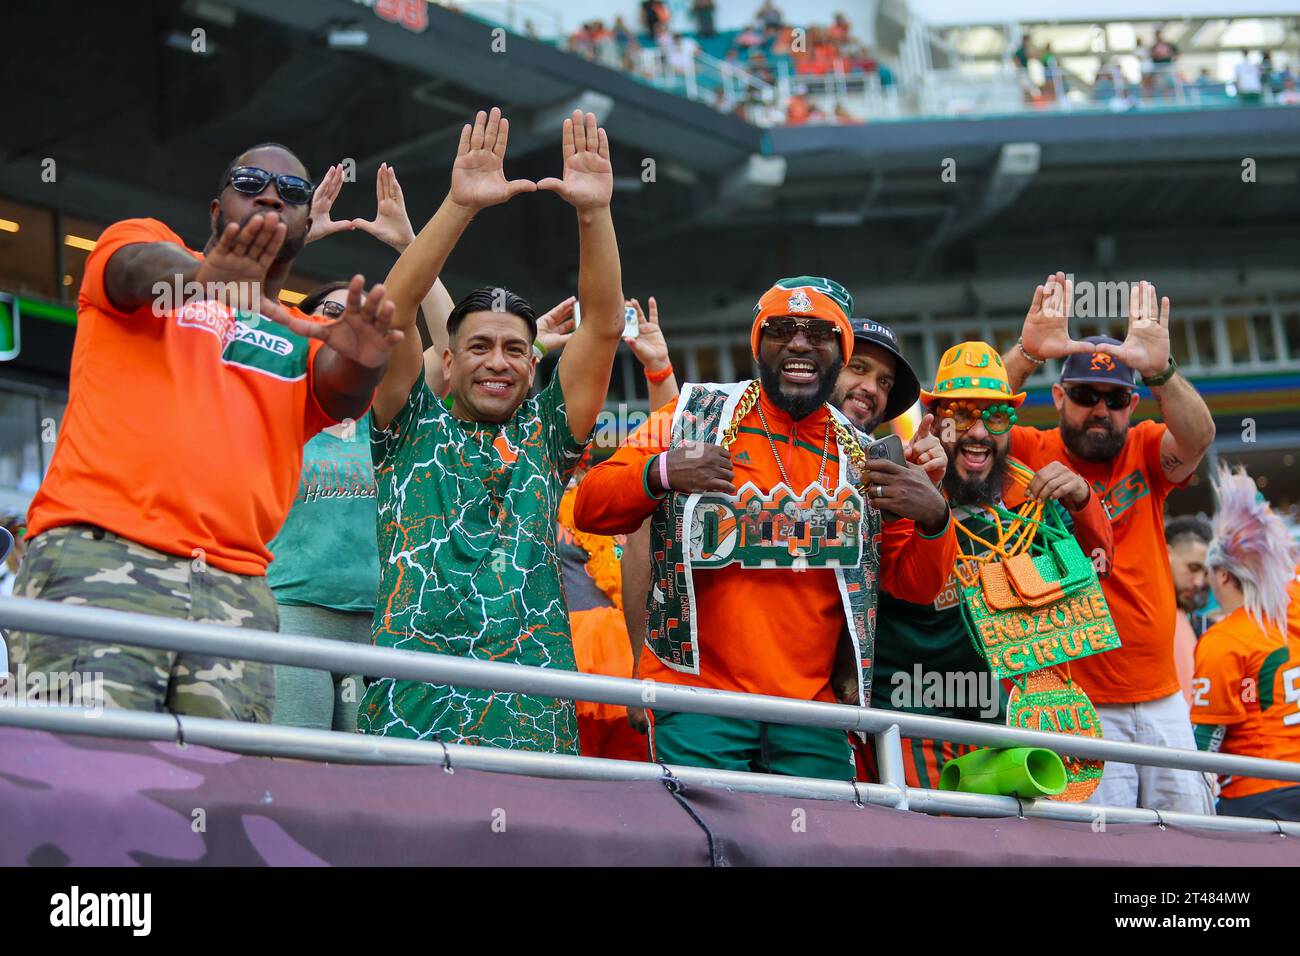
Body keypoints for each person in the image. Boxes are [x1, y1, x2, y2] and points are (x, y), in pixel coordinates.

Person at [8, 143, 399, 721]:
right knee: (88, 783)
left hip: (236, 591)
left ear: (305, 222)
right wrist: (201, 276)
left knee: (218, 799)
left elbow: (342, 393)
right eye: (251, 182)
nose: (271, 194)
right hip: (102, 559)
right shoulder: (142, 247)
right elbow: (131, 269)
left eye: (292, 192)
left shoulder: (305, 334)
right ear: (217, 211)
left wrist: (368, 362)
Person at [575, 276, 957, 780]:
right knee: (709, 849)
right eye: (781, 329)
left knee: (818, 849)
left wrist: (935, 518)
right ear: (759, 343)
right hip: (697, 700)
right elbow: (591, 506)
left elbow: (916, 583)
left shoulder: (865, 457)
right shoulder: (693, 414)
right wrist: (662, 471)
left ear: (839, 352)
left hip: (813, 713)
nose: (799, 342)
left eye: (818, 332)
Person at [356, 107, 626, 755]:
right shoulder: (407, 427)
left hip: (530, 715)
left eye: (514, 348)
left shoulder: (548, 436)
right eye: (479, 346)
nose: (498, 360)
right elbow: (391, 313)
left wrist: (593, 213)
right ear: (447, 361)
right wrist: (458, 205)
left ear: (535, 365)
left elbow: (603, 328)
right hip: (409, 706)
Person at [1002, 273, 1218, 813]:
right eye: (1084, 395)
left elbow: (1198, 437)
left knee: (1191, 844)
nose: (1100, 410)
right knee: (1103, 848)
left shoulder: (1146, 447)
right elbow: (956, 423)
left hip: (1164, 698)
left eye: (1116, 398)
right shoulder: (1029, 449)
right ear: (1058, 395)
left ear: (1132, 403)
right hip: (1076, 700)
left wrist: (1161, 373)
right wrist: (1027, 353)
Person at [865, 342, 1113, 788]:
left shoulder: (1026, 507)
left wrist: (1082, 499)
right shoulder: (899, 488)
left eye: (996, 417)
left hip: (1002, 721)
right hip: (913, 718)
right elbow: (899, 585)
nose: (978, 432)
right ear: (937, 420)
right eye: (961, 415)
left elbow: (1094, 573)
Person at [562, 296, 679, 759]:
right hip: (573, 674)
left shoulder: (643, 491)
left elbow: (676, 443)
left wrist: (658, 369)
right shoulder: (543, 491)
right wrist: (531, 349)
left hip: (647, 664)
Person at [1192, 465, 1300, 821]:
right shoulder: (1290, 612)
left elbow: (1206, 740)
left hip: (1258, 792)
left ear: (1222, 573)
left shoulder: (1222, 640)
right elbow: (1281, 557)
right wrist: (1253, 506)